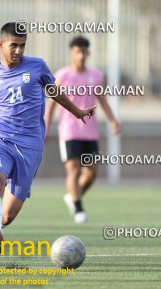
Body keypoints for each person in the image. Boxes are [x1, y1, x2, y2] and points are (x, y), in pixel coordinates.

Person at [0, 22, 96, 265]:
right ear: (1, 44)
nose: (18, 51)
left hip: (30, 144)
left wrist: (77, 112)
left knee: (6, 216)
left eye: (22, 46)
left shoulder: (37, 66)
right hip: (0, 137)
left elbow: (54, 92)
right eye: (13, 45)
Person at [44, 36, 120, 223]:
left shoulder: (96, 76)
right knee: (73, 170)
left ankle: (73, 196)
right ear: (72, 53)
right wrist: (45, 127)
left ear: (88, 53)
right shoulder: (62, 75)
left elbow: (102, 100)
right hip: (69, 131)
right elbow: (52, 104)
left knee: (92, 172)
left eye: (84, 52)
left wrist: (112, 120)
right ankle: (78, 208)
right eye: (77, 52)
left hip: (90, 132)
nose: (81, 56)